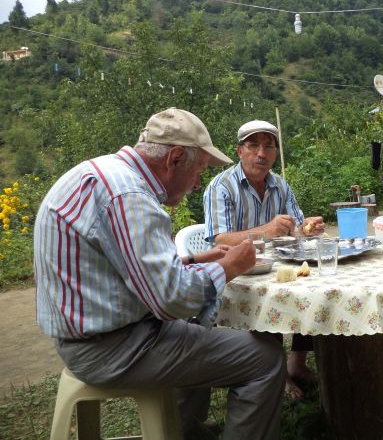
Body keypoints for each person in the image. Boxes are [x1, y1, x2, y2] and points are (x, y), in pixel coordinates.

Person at [34, 108, 286, 440]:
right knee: (265, 357)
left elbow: (125, 264)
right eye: (197, 170)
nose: (197, 183)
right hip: (111, 349)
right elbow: (172, 300)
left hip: (89, 337)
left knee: (198, 328)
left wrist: (194, 258)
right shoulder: (130, 196)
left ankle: (182, 430)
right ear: (175, 158)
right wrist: (229, 267)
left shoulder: (107, 174)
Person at [203, 119, 324, 399]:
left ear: (275, 153)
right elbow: (219, 240)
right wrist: (266, 231)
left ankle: (297, 365)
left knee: (314, 289)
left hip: (278, 265)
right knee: (268, 303)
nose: (262, 153)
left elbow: (294, 226)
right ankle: (277, 375)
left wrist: (308, 228)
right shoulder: (221, 187)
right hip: (241, 272)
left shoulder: (280, 185)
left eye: (268, 146)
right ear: (239, 150)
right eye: (253, 145)